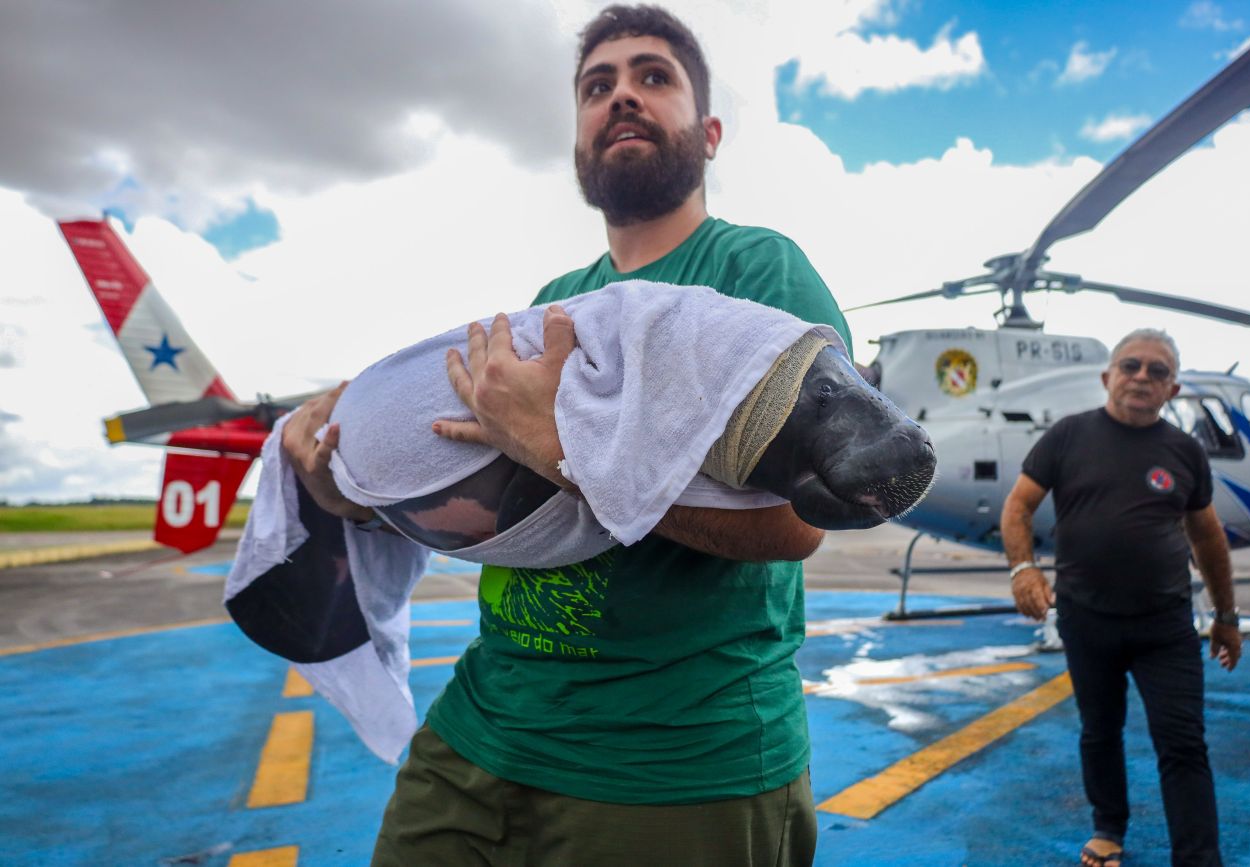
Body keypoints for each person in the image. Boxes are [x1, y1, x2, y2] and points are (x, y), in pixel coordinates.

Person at [282, 6, 853, 865]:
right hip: (484, 725)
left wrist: (561, 443)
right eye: (598, 86)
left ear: (709, 132)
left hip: (672, 759)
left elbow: (797, 523)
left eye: (653, 77)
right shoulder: (554, 299)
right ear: (579, 140)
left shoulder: (755, 270)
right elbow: (486, 492)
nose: (621, 95)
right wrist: (339, 485)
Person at [1000, 328, 1243, 867]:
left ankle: (1198, 858)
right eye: (1131, 366)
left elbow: (1207, 537)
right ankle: (1108, 827)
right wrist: (1023, 569)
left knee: (1183, 744)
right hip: (1087, 622)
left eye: (1158, 371)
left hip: (1166, 627)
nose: (1142, 377)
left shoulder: (1184, 452)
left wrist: (1226, 617)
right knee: (1100, 731)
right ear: (1107, 377)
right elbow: (1018, 507)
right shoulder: (1066, 437)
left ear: (1172, 390)